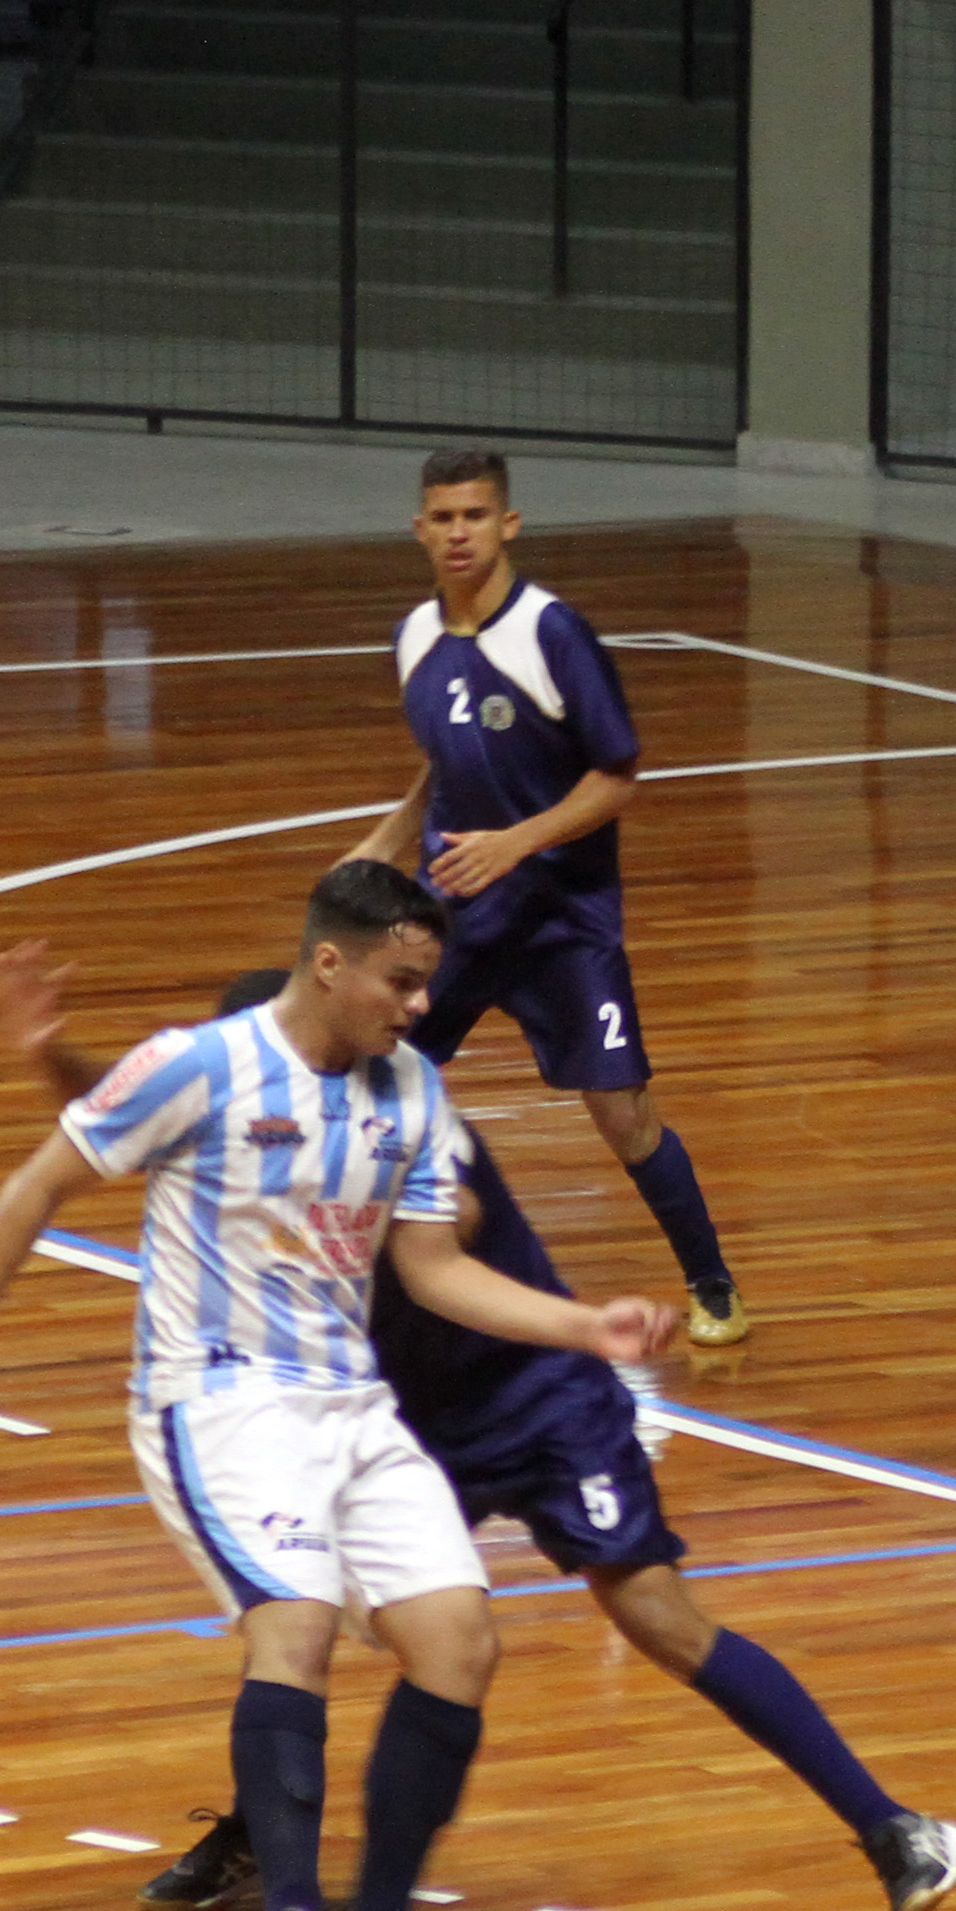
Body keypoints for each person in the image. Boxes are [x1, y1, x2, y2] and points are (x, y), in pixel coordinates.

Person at [0, 943, 956, 1911]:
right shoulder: (242, 1110)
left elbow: (444, 1230)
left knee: (659, 1618)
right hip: (402, 1419)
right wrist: (50, 1056)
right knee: (308, 1620)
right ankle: (266, 1848)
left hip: (540, 1401)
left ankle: (891, 1828)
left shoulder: (393, 1116)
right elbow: (138, 1118)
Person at [0, 859, 674, 1911]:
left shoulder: (410, 1090)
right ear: (330, 964)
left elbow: (427, 1267)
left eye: (427, 985)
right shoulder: (197, 1065)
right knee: (293, 1626)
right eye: (403, 983)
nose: (420, 1007)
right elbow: (40, 1185)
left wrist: (588, 1328)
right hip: (215, 1401)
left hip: (349, 1402)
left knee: (462, 1641)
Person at [350, 445, 756, 1345]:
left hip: (564, 926)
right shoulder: (414, 638)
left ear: (509, 524)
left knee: (624, 1116)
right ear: (421, 530)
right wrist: (391, 833)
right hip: (451, 920)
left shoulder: (551, 635)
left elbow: (617, 776)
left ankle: (713, 1282)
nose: (460, 534)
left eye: (476, 516)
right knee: (371, 1075)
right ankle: (349, 1279)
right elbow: (447, 754)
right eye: (444, 518)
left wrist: (514, 847)